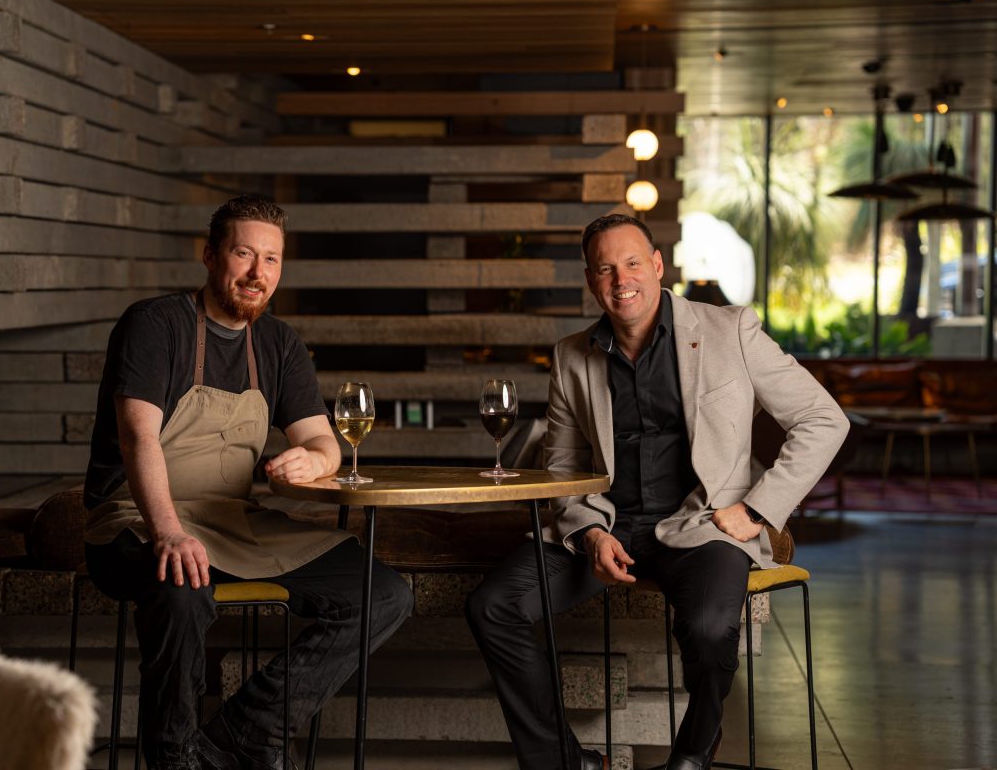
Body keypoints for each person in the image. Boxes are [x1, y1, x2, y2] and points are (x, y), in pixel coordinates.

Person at [466, 213, 848, 770]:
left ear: (658, 266)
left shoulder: (731, 330)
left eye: (632, 263)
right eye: (605, 269)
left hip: (704, 526)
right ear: (591, 280)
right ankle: (562, 763)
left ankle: (691, 758)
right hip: (608, 527)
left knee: (711, 627)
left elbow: (822, 419)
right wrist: (589, 531)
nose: (622, 280)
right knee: (493, 606)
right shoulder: (572, 356)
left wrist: (760, 509)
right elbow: (566, 465)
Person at [82, 194, 413, 770]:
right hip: (135, 520)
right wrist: (168, 532)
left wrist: (314, 460)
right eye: (244, 254)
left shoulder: (280, 344)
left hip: (231, 522)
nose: (259, 273)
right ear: (210, 257)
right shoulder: (155, 324)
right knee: (181, 587)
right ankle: (174, 756)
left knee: (383, 593)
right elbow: (138, 439)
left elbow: (324, 442)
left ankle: (248, 729)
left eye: (273, 260)